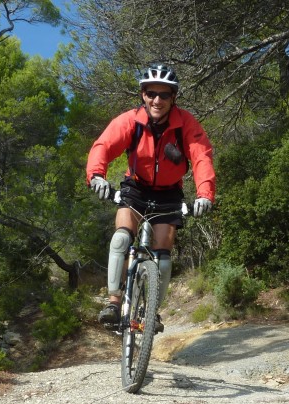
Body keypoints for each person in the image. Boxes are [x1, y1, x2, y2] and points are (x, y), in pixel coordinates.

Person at [86, 64, 216, 331]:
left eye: (165, 95)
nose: (157, 100)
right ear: (143, 95)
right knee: (122, 238)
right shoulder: (130, 121)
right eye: (151, 93)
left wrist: (205, 194)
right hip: (136, 187)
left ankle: (152, 312)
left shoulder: (185, 124)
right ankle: (113, 302)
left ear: (173, 98)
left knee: (163, 256)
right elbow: (104, 146)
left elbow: (202, 156)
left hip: (169, 192)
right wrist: (96, 176)